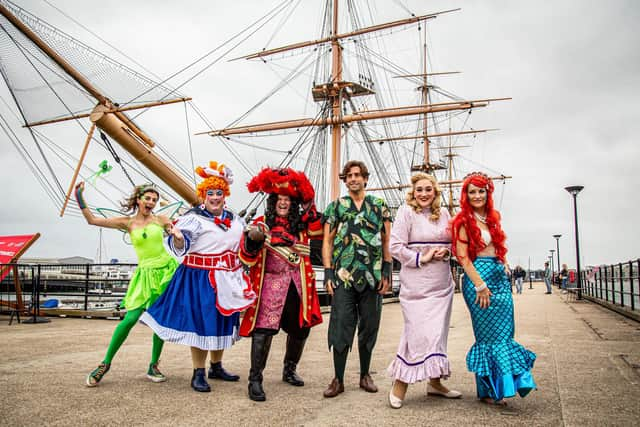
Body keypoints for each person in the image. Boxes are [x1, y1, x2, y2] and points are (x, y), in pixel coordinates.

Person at [140, 161, 255, 392]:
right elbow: (182, 244)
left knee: (221, 322)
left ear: (225, 195)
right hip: (199, 279)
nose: (215, 197)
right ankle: (198, 372)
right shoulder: (193, 218)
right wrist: (178, 237)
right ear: (204, 195)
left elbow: (244, 242)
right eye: (210, 193)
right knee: (202, 325)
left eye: (219, 193)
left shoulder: (234, 218)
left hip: (227, 277)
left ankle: (216, 366)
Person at [74, 182, 179, 387]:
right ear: (138, 200)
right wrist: (79, 196)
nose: (151, 202)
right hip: (145, 273)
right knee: (130, 319)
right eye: (147, 198)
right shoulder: (128, 223)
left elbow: (174, 230)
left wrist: (175, 233)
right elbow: (92, 220)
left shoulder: (161, 219)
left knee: (159, 321)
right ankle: (105, 364)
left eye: (154, 200)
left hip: (166, 270)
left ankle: (153, 365)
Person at [238, 167, 324, 402]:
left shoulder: (302, 226)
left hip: (298, 286)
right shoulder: (261, 224)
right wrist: (253, 241)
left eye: (288, 199)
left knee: (300, 329)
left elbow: (320, 230)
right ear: (273, 201)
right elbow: (246, 257)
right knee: (264, 330)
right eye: (280, 199)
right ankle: (255, 379)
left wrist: (308, 200)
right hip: (270, 286)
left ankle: (289, 369)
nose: (283, 203)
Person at [451, 172, 536, 406]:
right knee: (488, 336)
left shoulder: (492, 218)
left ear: (488, 193)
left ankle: (505, 385)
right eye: (472, 192)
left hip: (499, 277)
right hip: (478, 277)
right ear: (465, 195)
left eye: (481, 191)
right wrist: (480, 285)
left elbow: (498, 246)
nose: (477, 195)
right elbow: (462, 257)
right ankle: (488, 390)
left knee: (505, 333)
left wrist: (505, 265)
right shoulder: (463, 221)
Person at [386, 173, 461, 409]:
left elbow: (454, 245)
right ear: (413, 192)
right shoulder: (406, 212)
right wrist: (422, 256)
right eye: (419, 190)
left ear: (435, 191)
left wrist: (447, 253)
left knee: (437, 334)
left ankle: (435, 382)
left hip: (441, 285)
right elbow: (395, 246)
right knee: (416, 332)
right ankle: (401, 383)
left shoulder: (445, 214)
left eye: (428, 189)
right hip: (416, 285)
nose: (424, 194)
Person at [322, 160, 393, 398]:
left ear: (365, 178)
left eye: (357, 175)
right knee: (341, 326)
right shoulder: (337, 207)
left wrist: (387, 270)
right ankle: (338, 379)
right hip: (343, 276)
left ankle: (365, 375)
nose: (353, 179)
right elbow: (328, 241)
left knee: (369, 326)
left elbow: (386, 241)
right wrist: (328, 272)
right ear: (345, 180)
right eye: (349, 175)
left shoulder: (379, 206)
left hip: (372, 276)